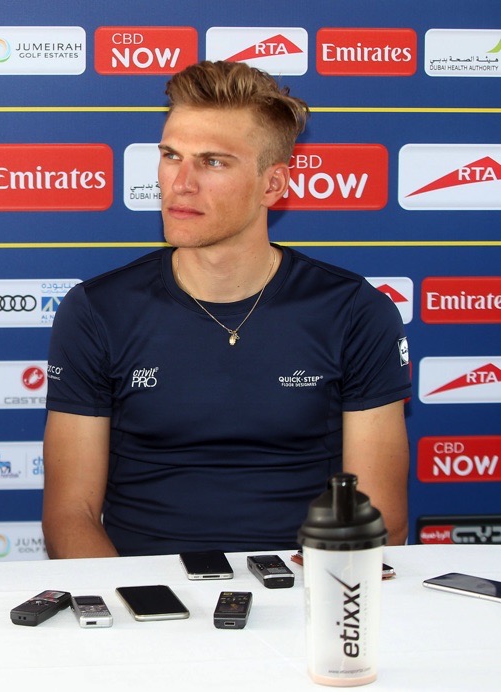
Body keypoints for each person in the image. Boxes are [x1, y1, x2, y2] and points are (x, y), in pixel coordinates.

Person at [42, 61, 410, 558]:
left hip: (303, 588)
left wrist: (303, 596)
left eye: (213, 162)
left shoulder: (355, 312)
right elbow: (71, 515)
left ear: (273, 185)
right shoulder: (97, 310)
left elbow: (379, 518)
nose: (181, 183)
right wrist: (139, 599)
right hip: (142, 591)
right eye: (171, 156)